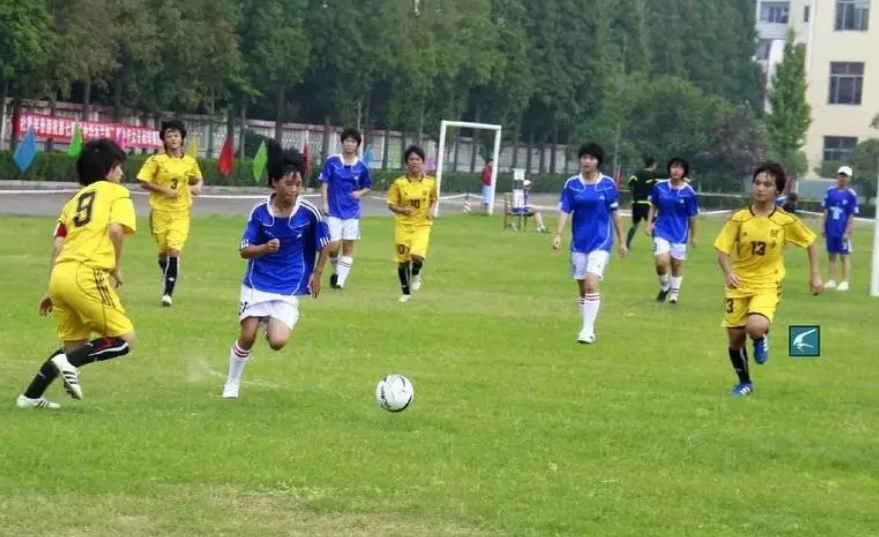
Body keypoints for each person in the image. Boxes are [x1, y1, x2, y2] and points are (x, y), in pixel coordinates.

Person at [16, 139, 137, 409]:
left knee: (75, 346)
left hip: (61, 275)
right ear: (107, 169)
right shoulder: (117, 193)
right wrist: (115, 267)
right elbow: (116, 230)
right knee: (125, 339)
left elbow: (58, 244)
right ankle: (68, 364)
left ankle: (30, 397)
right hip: (87, 273)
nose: (121, 173)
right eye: (118, 167)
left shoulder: (72, 202)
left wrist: (51, 288)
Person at [222, 141, 330, 399]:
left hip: (289, 286)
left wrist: (317, 273)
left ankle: (270, 322)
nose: (294, 190)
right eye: (289, 184)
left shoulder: (309, 212)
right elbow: (244, 250)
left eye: (298, 184)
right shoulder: (260, 212)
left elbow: (326, 243)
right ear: (274, 183)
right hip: (257, 283)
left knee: (277, 342)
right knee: (248, 336)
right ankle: (232, 383)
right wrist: (264, 248)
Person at [714, 161, 823, 397]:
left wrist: (814, 275)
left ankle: (760, 337)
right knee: (735, 338)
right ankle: (745, 383)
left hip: (767, 282)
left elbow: (811, 241)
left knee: (755, 326)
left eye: (767, 184)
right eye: (757, 183)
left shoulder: (784, 220)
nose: (760, 188)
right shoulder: (739, 218)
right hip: (739, 283)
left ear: (777, 190)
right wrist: (728, 272)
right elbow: (722, 249)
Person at [552, 142, 628, 344]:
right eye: (584, 157)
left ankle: (586, 330)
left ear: (598, 162)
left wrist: (622, 241)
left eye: (591, 158)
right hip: (579, 242)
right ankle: (589, 325)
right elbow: (565, 210)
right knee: (582, 288)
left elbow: (615, 213)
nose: (586, 161)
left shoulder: (608, 184)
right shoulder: (571, 184)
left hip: (601, 241)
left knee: (591, 283)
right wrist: (558, 234)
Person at [137, 119, 204, 307]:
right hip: (160, 212)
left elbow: (198, 179)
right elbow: (143, 182)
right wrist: (165, 190)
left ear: (182, 138)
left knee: (175, 250)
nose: (173, 139)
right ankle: (166, 271)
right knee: (163, 253)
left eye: (176, 135)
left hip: (181, 212)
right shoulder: (156, 161)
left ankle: (167, 294)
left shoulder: (190, 161)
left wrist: (197, 186)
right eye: (169, 135)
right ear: (164, 139)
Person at [319, 128, 373, 290]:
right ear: (342, 142)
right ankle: (337, 271)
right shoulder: (332, 161)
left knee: (348, 247)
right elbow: (324, 183)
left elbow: (368, 186)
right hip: (334, 211)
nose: (350, 144)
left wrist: (359, 193)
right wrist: (325, 203)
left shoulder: (361, 166)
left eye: (353, 141)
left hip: (352, 212)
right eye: (347, 141)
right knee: (333, 247)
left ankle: (339, 282)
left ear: (357, 145)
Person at [386, 145, 438, 303]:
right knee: (402, 261)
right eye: (411, 159)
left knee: (416, 255)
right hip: (403, 225)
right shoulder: (399, 183)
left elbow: (434, 198)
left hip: (422, 225)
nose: (414, 162)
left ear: (422, 162)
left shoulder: (430, 182)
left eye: (417, 159)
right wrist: (402, 209)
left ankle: (416, 273)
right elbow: (391, 204)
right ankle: (405, 293)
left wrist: (431, 210)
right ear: (406, 162)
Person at [646, 157, 699, 304]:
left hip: (680, 233)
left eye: (680, 168)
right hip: (661, 229)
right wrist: (649, 224)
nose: (676, 170)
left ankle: (674, 295)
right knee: (661, 261)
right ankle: (665, 285)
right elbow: (653, 205)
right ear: (669, 169)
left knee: (676, 264)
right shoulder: (659, 187)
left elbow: (692, 215)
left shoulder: (688, 192)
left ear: (684, 172)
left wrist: (693, 235)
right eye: (674, 167)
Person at [821, 166, 858, 292]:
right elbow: (826, 210)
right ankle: (831, 280)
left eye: (845, 176)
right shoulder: (830, 191)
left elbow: (851, 214)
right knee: (831, 255)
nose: (842, 178)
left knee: (844, 256)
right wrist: (823, 226)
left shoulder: (851, 195)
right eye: (840, 175)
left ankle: (845, 281)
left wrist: (848, 231)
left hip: (842, 230)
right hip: (831, 228)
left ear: (849, 178)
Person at [626, 156, 659, 249]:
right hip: (646, 203)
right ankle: (655, 245)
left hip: (635, 203)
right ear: (652, 164)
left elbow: (630, 184)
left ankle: (627, 244)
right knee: (654, 223)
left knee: (635, 225)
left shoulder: (636, 174)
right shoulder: (653, 175)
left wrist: (634, 194)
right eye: (655, 164)